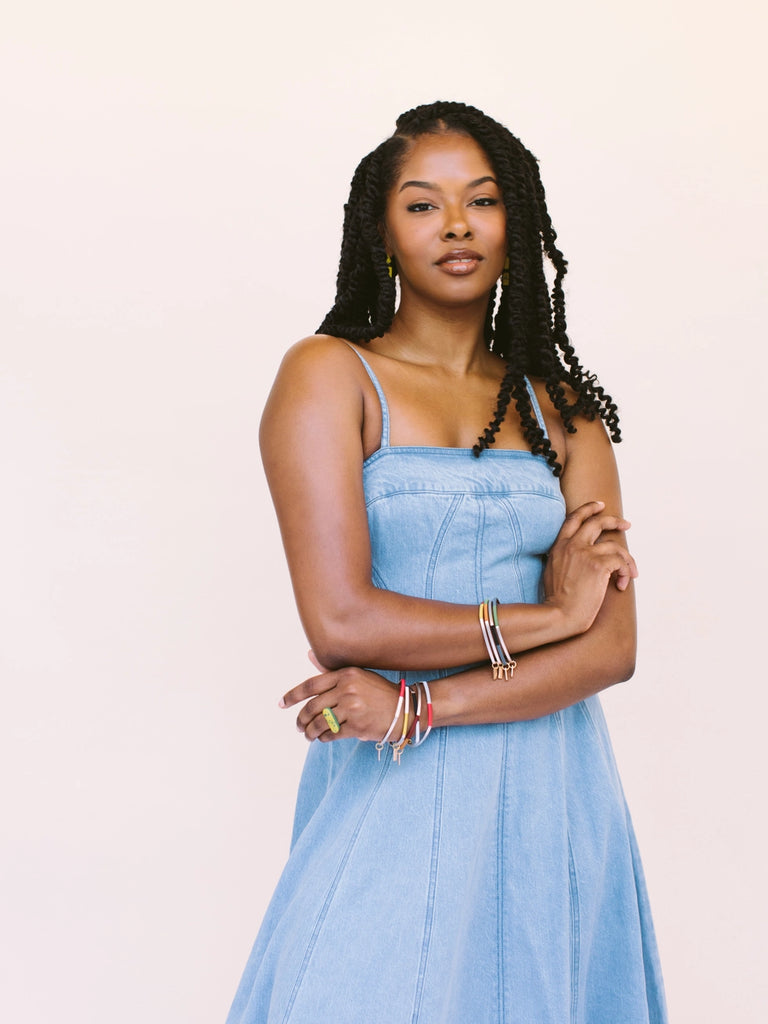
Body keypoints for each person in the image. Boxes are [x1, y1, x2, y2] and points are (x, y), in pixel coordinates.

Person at [226, 101, 667, 1023]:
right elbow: (342, 620)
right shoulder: (331, 374)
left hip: (552, 783)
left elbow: (612, 648)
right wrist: (550, 616)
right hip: (392, 783)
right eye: (423, 205)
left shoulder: (566, 410)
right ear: (380, 231)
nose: (457, 225)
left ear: (520, 227)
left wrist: (421, 705)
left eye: (484, 200)